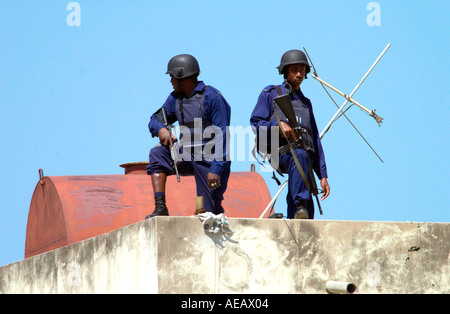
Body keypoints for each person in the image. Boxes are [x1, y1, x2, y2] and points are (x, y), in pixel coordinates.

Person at [146, 54, 231, 219]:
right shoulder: (174, 99)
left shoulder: (213, 97)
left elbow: (223, 136)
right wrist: (161, 129)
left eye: (171, 77)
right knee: (157, 153)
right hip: (186, 154)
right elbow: (154, 120)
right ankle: (160, 207)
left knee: (208, 213)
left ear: (180, 77)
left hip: (210, 159)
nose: (170, 81)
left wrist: (216, 169)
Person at [250, 49, 330, 219]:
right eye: (294, 70)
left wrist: (322, 174)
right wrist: (277, 126)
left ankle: (299, 217)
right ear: (285, 71)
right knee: (298, 157)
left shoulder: (306, 103)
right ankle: (299, 204)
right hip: (280, 152)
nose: (299, 74)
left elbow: (314, 139)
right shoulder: (271, 94)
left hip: (304, 158)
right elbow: (256, 123)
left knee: (306, 213)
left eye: (302, 70)